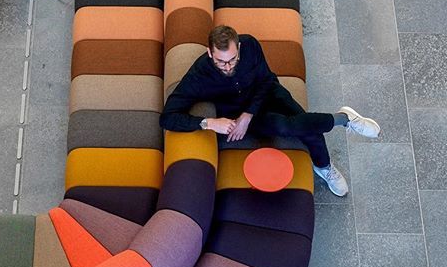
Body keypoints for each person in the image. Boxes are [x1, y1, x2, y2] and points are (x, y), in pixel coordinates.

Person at [160, 25, 380, 196]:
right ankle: (344, 119)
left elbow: (266, 80)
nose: (228, 67)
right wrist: (209, 122)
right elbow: (167, 118)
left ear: (239, 48)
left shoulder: (250, 45)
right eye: (221, 62)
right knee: (284, 125)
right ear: (209, 52)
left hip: (268, 93)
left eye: (233, 60)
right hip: (240, 114)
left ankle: (328, 158)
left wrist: (249, 113)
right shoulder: (198, 76)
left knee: (304, 123)